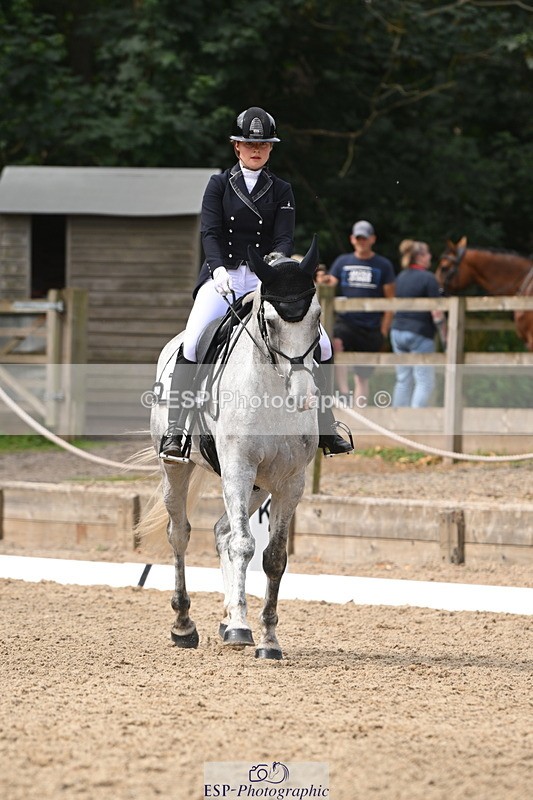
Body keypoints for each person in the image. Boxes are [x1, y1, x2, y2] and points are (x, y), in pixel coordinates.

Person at [159, 106, 353, 462]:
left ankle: (326, 425)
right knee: (193, 338)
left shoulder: (281, 189)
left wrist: (278, 269)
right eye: (249, 143)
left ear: (270, 148)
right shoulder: (218, 184)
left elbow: (283, 239)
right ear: (237, 146)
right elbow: (211, 232)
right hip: (225, 275)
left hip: (267, 277)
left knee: (322, 344)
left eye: (263, 144)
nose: (256, 149)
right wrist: (217, 269)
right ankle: (177, 430)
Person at [320, 220, 396, 402]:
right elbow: (331, 284)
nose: (362, 241)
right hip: (347, 322)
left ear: (373, 239)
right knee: (335, 344)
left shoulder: (383, 265)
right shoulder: (342, 262)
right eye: (359, 238)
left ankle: (360, 409)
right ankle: (344, 393)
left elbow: (390, 299)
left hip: (371, 325)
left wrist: (384, 328)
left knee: (363, 375)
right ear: (352, 239)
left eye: (365, 238)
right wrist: (322, 279)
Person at [390, 239, 447, 407]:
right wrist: (446, 337)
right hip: (419, 332)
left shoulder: (400, 277)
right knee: (425, 381)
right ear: (420, 256)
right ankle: (415, 423)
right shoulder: (429, 278)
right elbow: (436, 312)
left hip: (397, 331)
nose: (430, 257)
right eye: (428, 253)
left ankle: (398, 422)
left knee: (403, 380)